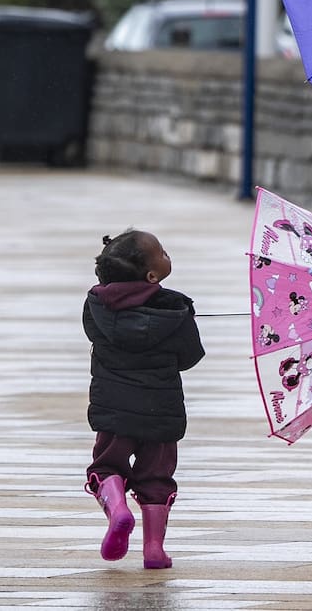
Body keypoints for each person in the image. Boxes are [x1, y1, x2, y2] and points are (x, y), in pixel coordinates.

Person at [82, 229, 205, 568]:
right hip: (161, 413)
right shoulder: (176, 310)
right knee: (156, 478)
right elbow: (190, 357)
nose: (168, 254)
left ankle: (117, 508)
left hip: (113, 409)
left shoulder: (96, 305)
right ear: (152, 276)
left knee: (108, 466)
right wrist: (183, 326)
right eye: (162, 252)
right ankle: (154, 549)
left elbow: (94, 335)